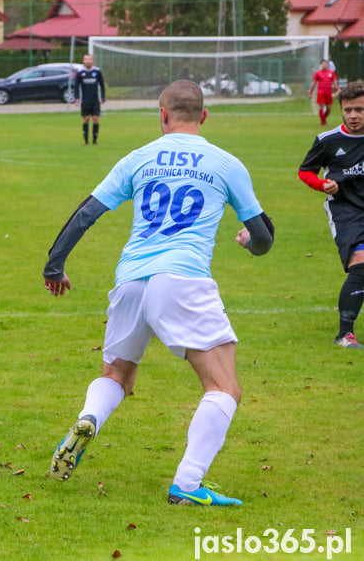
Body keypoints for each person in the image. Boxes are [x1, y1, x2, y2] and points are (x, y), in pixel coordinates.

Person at [43, 80, 274, 506]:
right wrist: (249, 242)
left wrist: (55, 265)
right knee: (224, 386)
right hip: (182, 280)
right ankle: (187, 484)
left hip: (131, 280)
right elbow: (263, 236)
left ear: (163, 115)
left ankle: (89, 417)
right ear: (203, 116)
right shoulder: (225, 163)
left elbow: (86, 213)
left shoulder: (139, 157)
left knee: (116, 375)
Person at [298, 80, 364, 349]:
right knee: (360, 264)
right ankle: (344, 335)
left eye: (359, 109)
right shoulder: (328, 141)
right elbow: (305, 171)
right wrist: (322, 184)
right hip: (345, 210)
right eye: (348, 110)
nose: (353, 116)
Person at [75, 53, 106, 145]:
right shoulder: (80, 72)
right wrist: (77, 98)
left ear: (92, 61)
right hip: (85, 100)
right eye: (86, 59)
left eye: (89, 59)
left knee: (96, 119)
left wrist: (103, 97)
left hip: (95, 100)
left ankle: (95, 140)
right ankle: (86, 140)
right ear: (83, 61)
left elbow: (102, 85)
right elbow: (76, 86)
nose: (88, 61)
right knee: (86, 119)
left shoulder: (97, 71)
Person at [309, 59, 340, 127]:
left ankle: (324, 118)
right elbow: (314, 83)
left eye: (325, 64)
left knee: (328, 109)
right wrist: (310, 92)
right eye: (323, 64)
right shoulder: (318, 73)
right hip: (321, 93)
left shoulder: (331, 73)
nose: (324, 65)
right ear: (321, 65)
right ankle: (323, 123)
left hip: (329, 93)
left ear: (327, 65)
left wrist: (337, 89)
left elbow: (335, 82)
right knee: (322, 107)